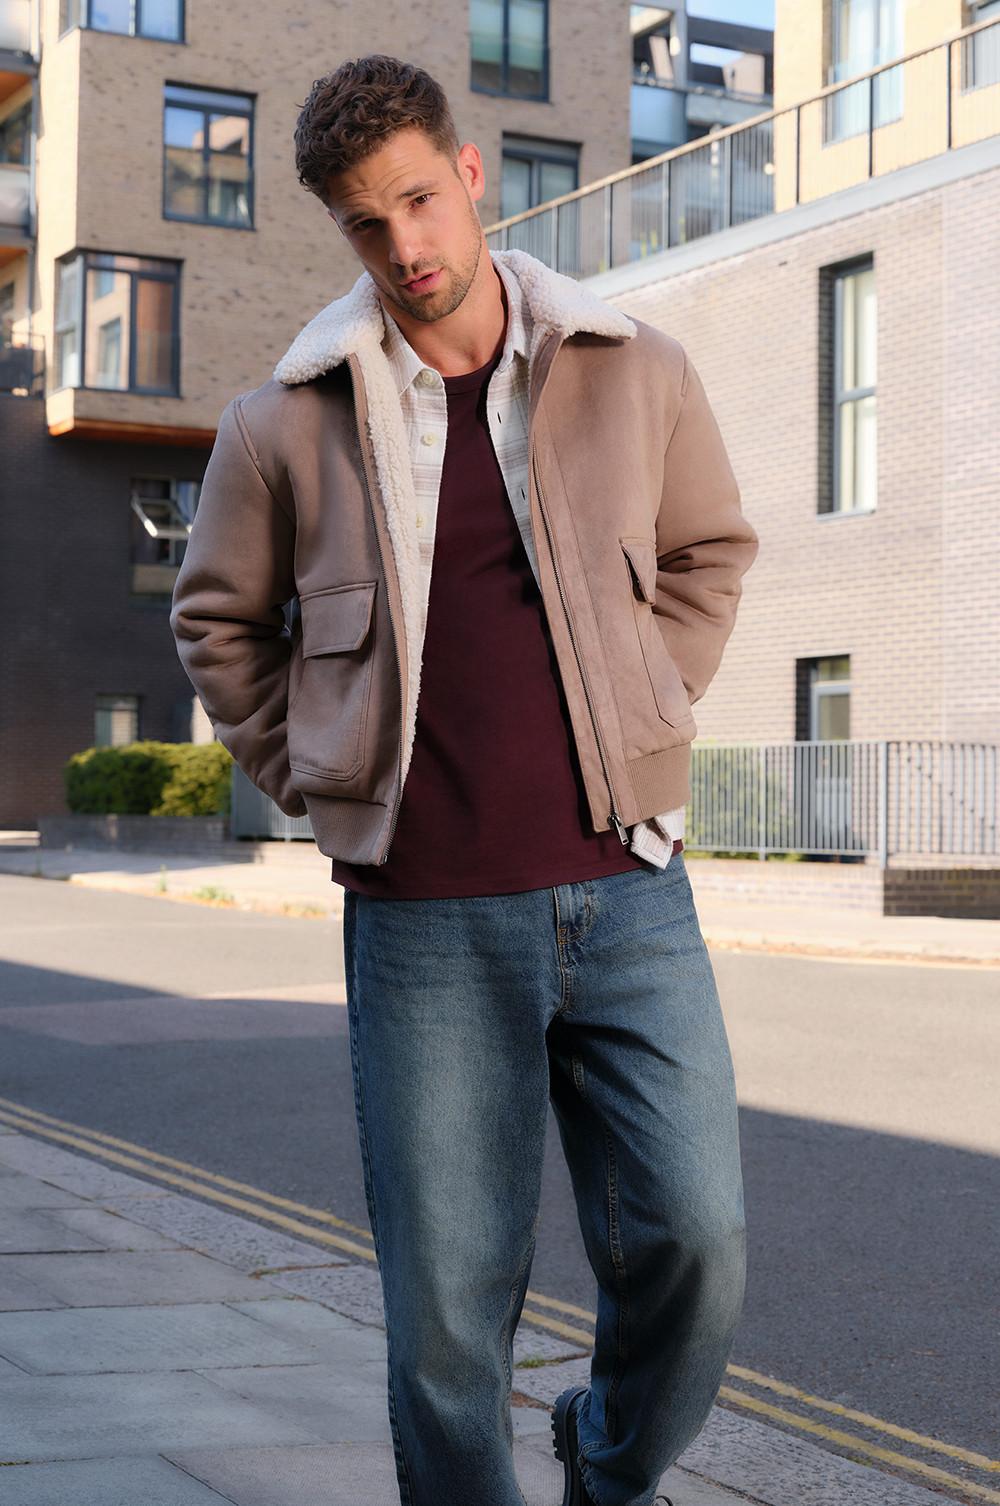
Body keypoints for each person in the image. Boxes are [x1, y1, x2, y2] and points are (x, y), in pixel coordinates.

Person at [170, 52, 759, 1506]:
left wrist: (651, 700)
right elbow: (217, 621)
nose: (409, 249)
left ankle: (607, 1461)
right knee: (447, 1319)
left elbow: (709, 553)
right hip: (423, 915)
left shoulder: (635, 366)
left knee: (698, 1241)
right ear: (342, 231)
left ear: (473, 170)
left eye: (423, 202)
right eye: (369, 225)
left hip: (628, 893)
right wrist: (314, 776)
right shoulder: (284, 421)